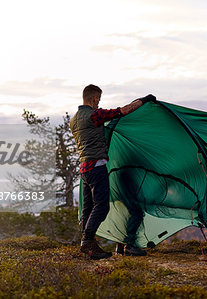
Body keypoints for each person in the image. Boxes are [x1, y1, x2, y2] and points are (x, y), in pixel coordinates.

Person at [70, 84, 156, 259]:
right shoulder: (94, 115)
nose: (98, 103)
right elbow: (123, 111)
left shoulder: (74, 119)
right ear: (94, 98)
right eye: (98, 100)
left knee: (88, 208)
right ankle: (88, 242)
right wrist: (144, 100)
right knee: (101, 206)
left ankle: (87, 244)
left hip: (84, 168)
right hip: (97, 166)